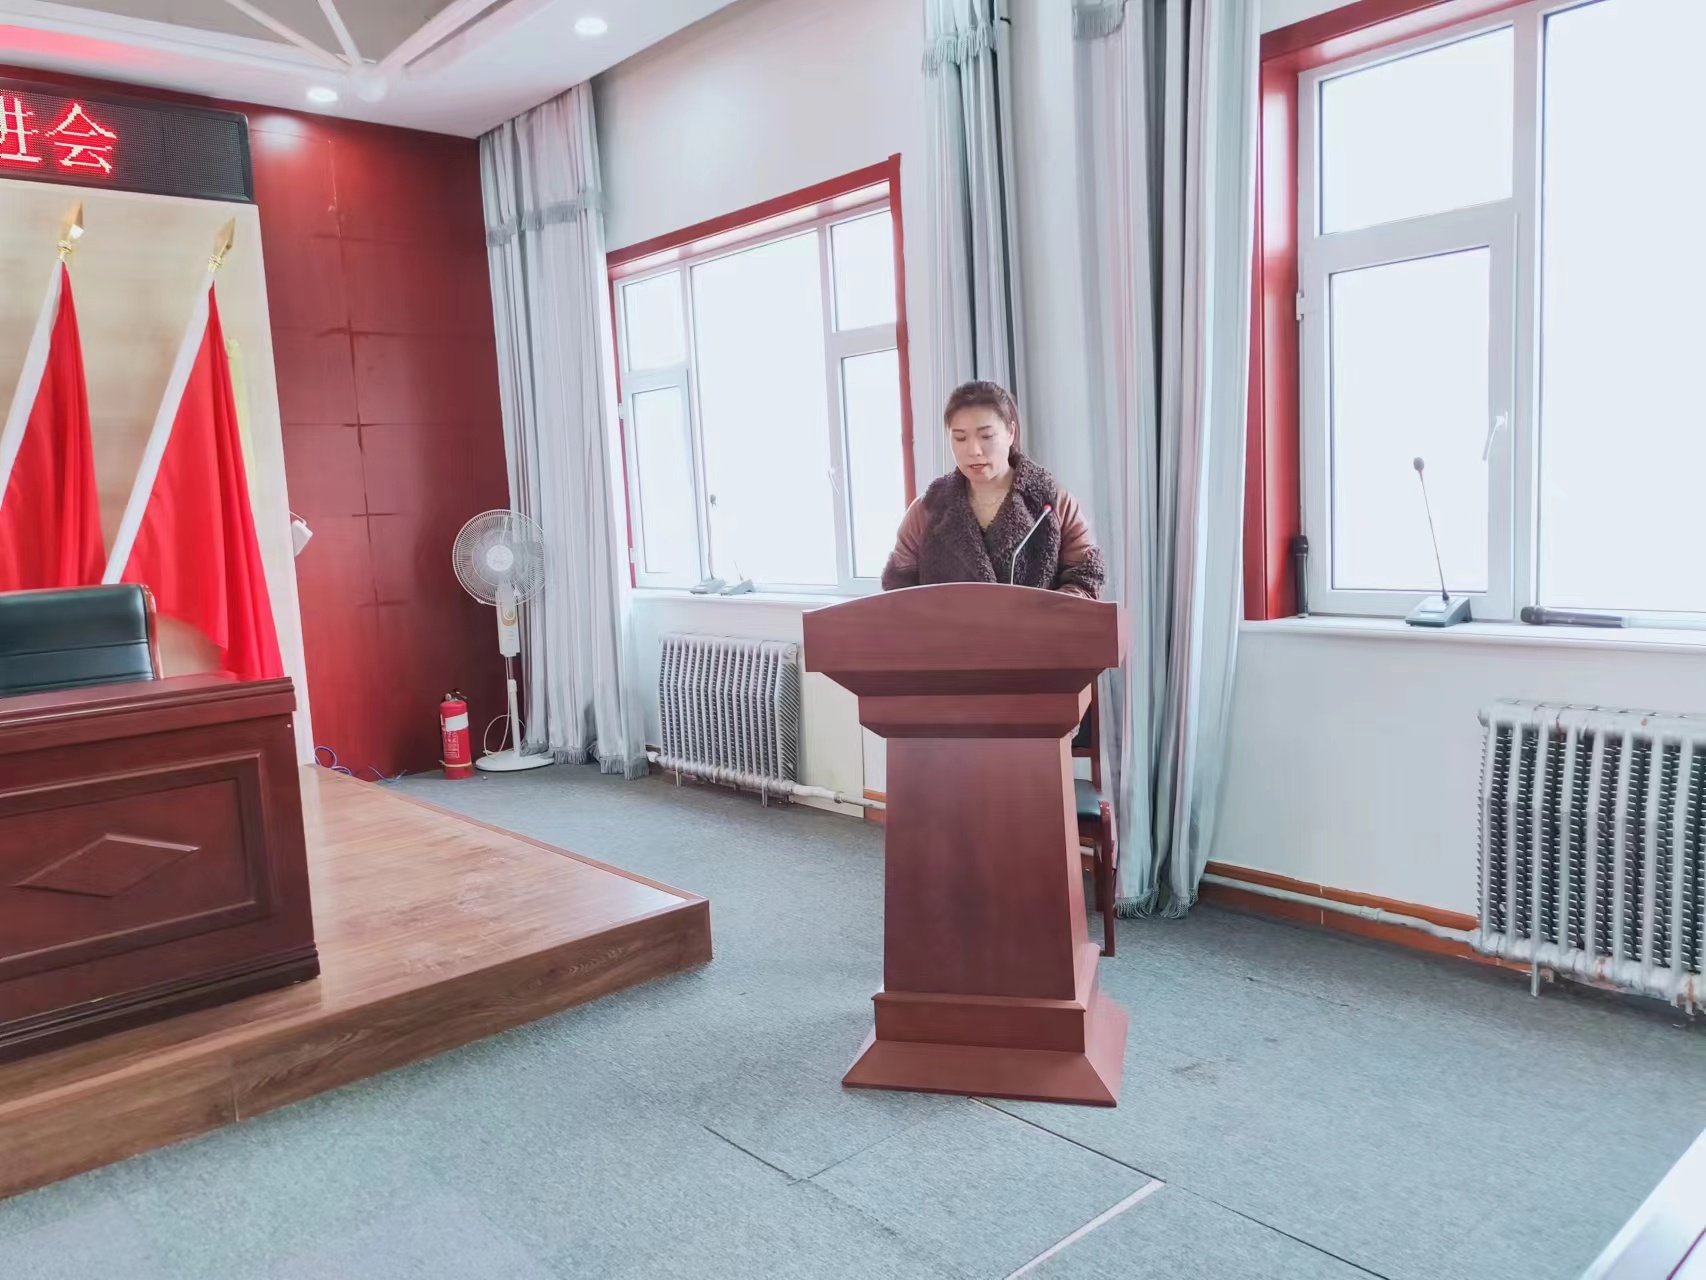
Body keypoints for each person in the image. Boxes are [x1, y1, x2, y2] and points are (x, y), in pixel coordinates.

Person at [881, 380, 1104, 598]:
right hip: (945, 625)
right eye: (960, 438)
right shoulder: (927, 510)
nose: (974, 450)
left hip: (1036, 625)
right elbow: (897, 589)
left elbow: (1086, 579)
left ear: (1010, 433)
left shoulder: (1052, 503)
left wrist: (1041, 616)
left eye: (986, 436)